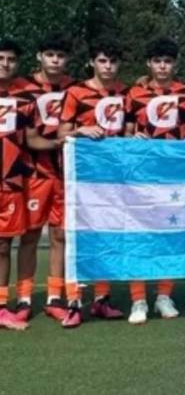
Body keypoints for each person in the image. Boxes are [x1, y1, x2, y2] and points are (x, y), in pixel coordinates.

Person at [55, 40, 131, 326]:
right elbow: (62, 134)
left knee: (107, 235)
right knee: (79, 235)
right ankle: (74, 302)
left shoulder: (126, 92)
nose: (108, 66)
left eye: (112, 61)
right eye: (102, 61)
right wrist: (81, 129)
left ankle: (102, 300)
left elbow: (130, 131)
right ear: (92, 63)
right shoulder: (75, 92)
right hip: (83, 180)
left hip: (113, 179)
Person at [123, 38, 185, 324]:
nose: (162, 66)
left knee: (170, 235)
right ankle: (138, 300)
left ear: (175, 64)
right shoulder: (135, 93)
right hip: (143, 177)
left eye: (167, 61)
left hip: (175, 178)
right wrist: (132, 138)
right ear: (149, 63)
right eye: (157, 61)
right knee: (139, 236)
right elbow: (126, 133)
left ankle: (164, 296)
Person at [14, 35, 74, 327]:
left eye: (60, 55)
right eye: (50, 54)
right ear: (39, 56)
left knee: (61, 235)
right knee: (30, 235)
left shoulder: (74, 88)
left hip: (66, 174)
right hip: (32, 172)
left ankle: (55, 297)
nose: (55, 60)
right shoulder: (22, 88)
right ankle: (24, 298)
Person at [0, 39, 45, 331]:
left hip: (11, 180)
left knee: (3, 245)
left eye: (11, 60)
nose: (5, 64)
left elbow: (33, 140)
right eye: (1, 58)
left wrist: (70, 139)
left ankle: (2, 307)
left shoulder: (27, 99)